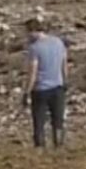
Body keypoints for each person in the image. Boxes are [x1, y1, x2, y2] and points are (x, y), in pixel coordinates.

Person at [22, 18, 68, 148]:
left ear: (34, 31)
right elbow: (64, 64)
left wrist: (27, 92)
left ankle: (40, 148)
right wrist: (65, 80)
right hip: (58, 87)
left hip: (41, 90)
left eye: (28, 33)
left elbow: (33, 73)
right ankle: (59, 146)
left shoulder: (35, 48)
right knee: (58, 120)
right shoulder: (58, 42)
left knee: (39, 121)